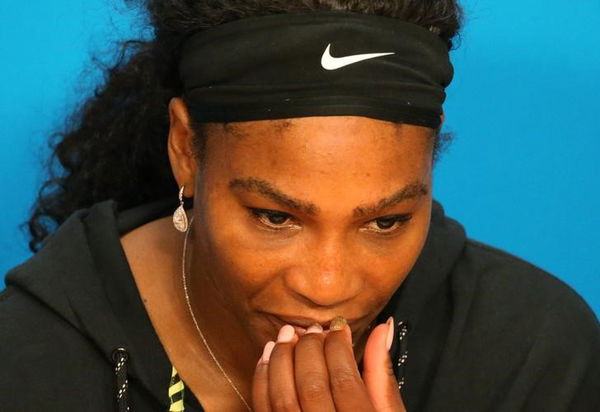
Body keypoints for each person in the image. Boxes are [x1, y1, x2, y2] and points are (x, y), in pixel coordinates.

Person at [0, 0, 598, 411]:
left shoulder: (532, 350)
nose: (328, 286)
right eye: (276, 217)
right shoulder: (26, 363)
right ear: (187, 148)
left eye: (386, 222)